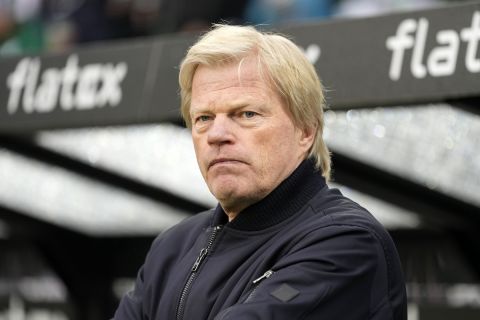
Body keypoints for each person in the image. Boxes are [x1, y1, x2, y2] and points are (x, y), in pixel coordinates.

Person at [113, 24, 407, 320]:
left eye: (246, 114)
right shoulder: (172, 248)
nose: (217, 134)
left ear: (305, 130)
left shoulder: (347, 242)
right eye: (203, 118)